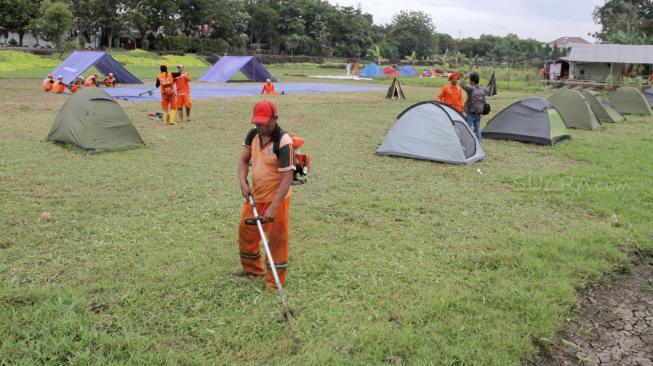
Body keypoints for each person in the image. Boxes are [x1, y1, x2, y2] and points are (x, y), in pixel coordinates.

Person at [236, 100, 295, 291]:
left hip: (276, 199)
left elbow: (288, 177)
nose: (261, 127)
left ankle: (273, 283)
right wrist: (243, 183)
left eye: (265, 123)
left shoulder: (284, 141)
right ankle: (252, 269)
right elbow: (244, 160)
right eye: (257, 123)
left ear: (275, 118)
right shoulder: (253, 134)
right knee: (247, 232)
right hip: (255, 196)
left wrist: (273, 207)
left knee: (277, 240)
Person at [461, 72, 488, 142]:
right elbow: (488, 90)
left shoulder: (470, 89)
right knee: (478, 128)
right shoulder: (482, 88)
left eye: (470, 80)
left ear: (472, 81)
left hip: (471, 112)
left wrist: (465, 77)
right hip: (479, 112)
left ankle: (467, 142)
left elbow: (462, 84)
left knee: (468, 128)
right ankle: (478, 143)